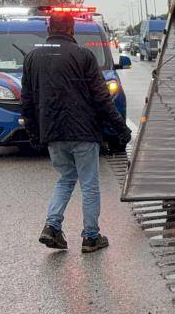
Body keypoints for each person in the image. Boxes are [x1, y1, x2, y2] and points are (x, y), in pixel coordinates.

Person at [21, 13, 132, 253]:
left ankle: (52, 226)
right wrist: (120, 129)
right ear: (71, 29)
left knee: (66, 178)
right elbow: (102, 97)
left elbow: (27, 101)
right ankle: (91, 237)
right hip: (83, 133)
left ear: (49, 28)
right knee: (89, 184)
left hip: (53, 133)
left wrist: (33, 132)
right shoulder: (83, 56)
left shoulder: (32, 58)